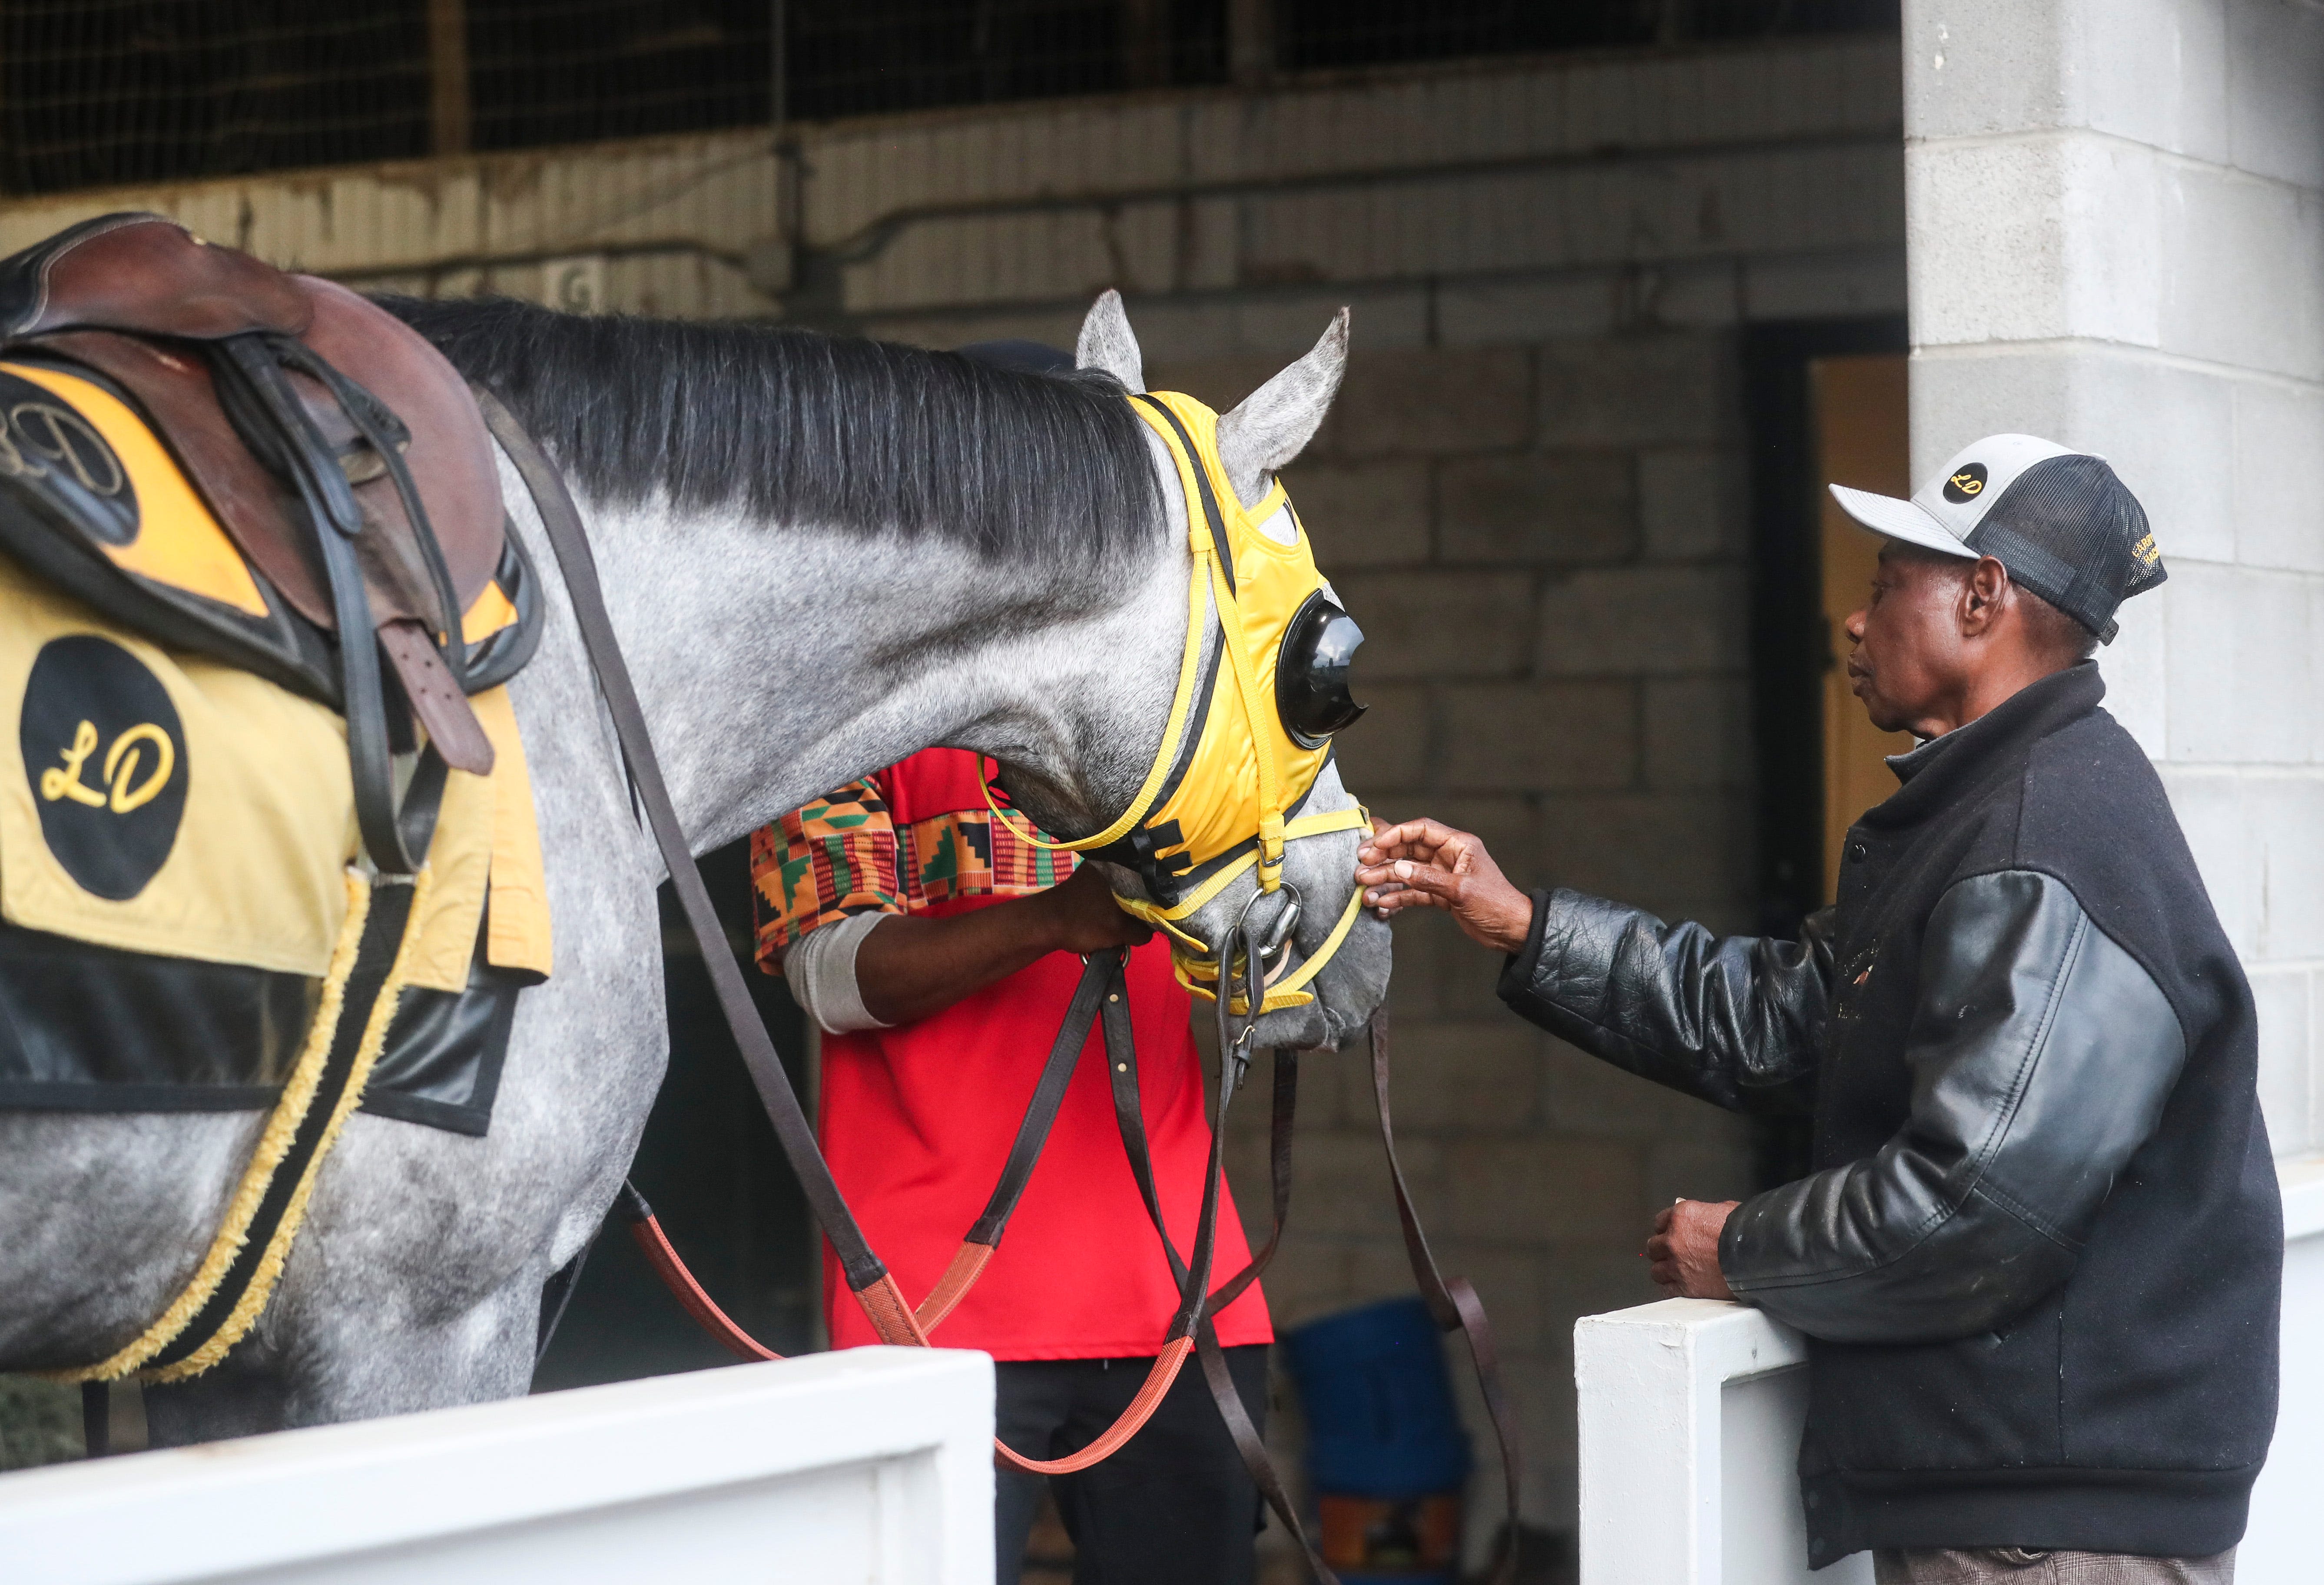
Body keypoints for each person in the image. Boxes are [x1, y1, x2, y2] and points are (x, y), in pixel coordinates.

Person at [1356, 436, 2280, 1584]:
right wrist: (1523, 925)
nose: (1854, 620)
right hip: (2023, 1510)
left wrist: (1734, 1248)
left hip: (2042, 1537)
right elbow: (1792, 1020)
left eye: (1887, 584)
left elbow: (1971, 1214)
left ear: (1981, 597)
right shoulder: (1991, 807)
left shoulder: (2045, 842)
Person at [753, 745, 1273, 1585]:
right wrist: (1052, 919)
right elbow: (829, 977)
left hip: (1178, 1290)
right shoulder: (850, 724)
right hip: (931, 1307)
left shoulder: (1174, 716)